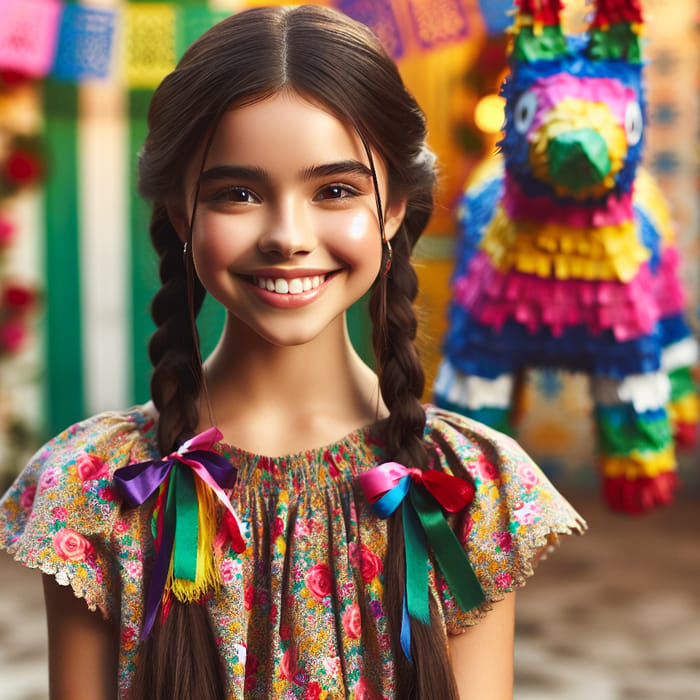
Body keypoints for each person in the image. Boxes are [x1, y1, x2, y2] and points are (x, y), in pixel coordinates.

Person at [0, 5, 585, 699]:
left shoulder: (469, 490)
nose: (287, 234)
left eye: (335, 190)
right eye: (238, 193)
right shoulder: (98, 487)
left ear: (394, 207)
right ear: (183, 213)